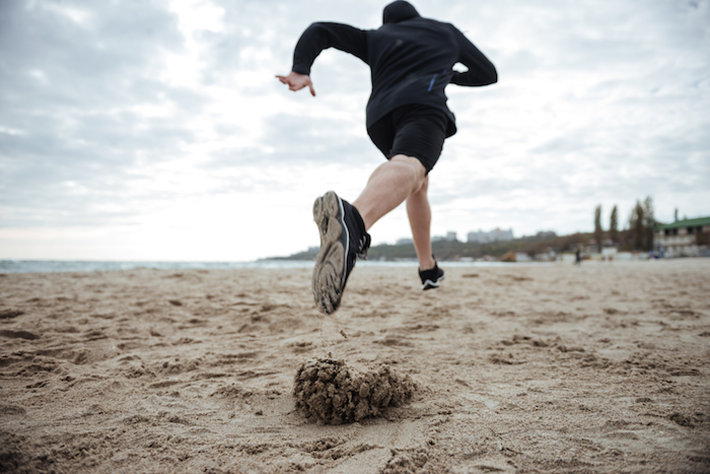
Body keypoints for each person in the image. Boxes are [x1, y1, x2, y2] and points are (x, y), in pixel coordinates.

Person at [277, 1, 497, 314]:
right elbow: (488, 73)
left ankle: (428, 268)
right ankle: (354, 222)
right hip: (423, 106)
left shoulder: (376, 38)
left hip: (380, 119)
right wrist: (450, 75)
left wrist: (301, 68)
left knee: (417, 180)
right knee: (410, 165)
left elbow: (320, 30)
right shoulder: (444, 32)